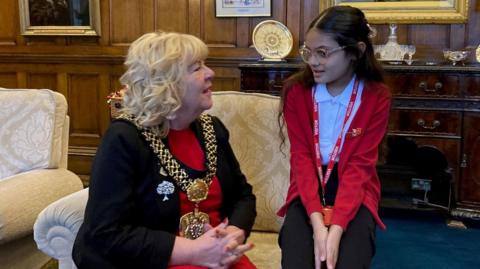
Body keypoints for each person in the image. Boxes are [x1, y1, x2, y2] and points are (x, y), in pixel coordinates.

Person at [72, 31, 257, 269]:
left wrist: (233, 233)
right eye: (197, 68)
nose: (211, 73)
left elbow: (243, 196)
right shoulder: (124, 138)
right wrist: (194, 251)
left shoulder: (214, 130)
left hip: (217, 256)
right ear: (167, 84)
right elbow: (106, 232)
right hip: (153, 260)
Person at [277, 6, 391, 269]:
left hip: (354, 185)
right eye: (308, 52)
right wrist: (319, 227)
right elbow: (302, 158)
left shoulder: (376, 96)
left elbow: (360, 166)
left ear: (356, 51)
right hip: (309, 183)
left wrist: (336, 230)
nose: (313, 61)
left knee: (347, 259)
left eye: (323, 53)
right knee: (298, 259)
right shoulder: (296, 92)